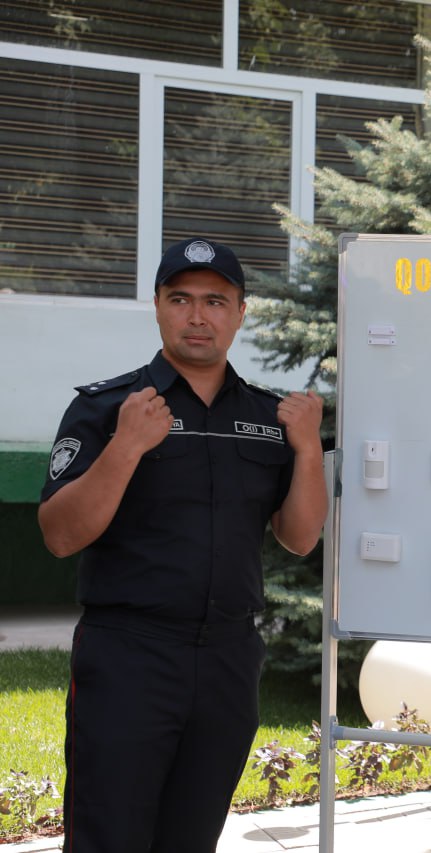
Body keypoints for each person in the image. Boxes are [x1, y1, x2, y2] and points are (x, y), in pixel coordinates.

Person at [38, 237, 328, 853]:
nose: (198, 316)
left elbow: (301, 538)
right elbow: (60, 535)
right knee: (108, 836)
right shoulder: (107, 409)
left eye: (215, 302)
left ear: (240, 313)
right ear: (158, 307)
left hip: (228, 659)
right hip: (129, 656)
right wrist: (126, 446)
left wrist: (307, 449)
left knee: (193, 837)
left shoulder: (268, 417)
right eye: (181, 299)